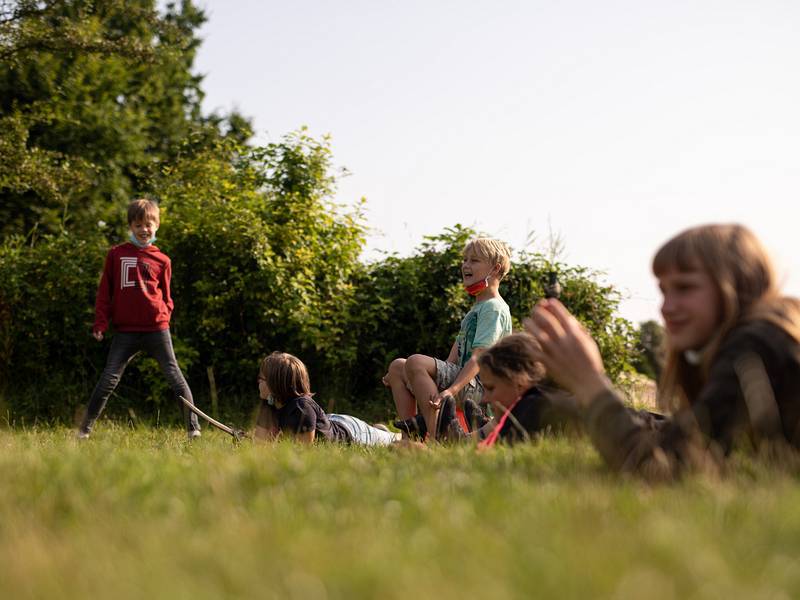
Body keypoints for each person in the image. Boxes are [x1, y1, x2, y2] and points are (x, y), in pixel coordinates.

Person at [527, 223, 800, 479]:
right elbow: (687, 448)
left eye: (685, 287)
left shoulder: (758, 344)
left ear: (738, 285)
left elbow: (659, 469)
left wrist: (590, 384)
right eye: (664, 291)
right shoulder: (763, 337)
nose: (666, 307)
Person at [78, 198, 201, 439]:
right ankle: (84, 430)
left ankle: (193, 428)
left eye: (148, 224)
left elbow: (167, 296)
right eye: (138, 225)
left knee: (175, 377)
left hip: (157, 329)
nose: (144, 230)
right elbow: (105, 292)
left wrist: (165, 314)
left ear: (156, 226)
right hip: (126, 331)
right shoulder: (116, 254)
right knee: (108, 379)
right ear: (130, 226)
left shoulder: (163, 260)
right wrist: (101, 322)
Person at [383, 237, 513, 441]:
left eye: (474, 260)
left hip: (482, 388)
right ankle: (411, 437)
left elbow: (479, 357)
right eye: (465, 260)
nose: (466, 265)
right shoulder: (476, 309)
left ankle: (440, 438)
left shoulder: (493, 308)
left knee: (416, 362)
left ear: (495, 269)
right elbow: (452, 360)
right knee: (399, 366)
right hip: (465, 382)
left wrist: (451, 390)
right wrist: (417, 377)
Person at [255, 352, 400, 445]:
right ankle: (378, 429)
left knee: (395, 440)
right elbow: (260, 444)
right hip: (330, 420)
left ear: (276, 384)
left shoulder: (301, 408)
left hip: (351, 432)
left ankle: (386, 433)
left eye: (261, 379)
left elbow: (303, 450)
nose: (258, 382)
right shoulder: (269, 402)